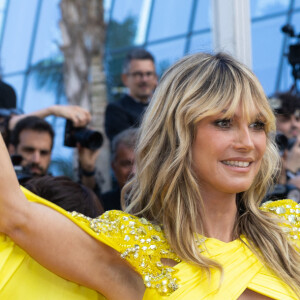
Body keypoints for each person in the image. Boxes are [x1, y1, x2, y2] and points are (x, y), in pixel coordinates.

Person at [0, 52, 300, 299]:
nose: (247, 143)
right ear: (177, 133)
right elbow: (14, 214)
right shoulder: (136, 255)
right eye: (224, 122)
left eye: (258, 125)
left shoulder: (288, 231)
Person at [105, 48, 158, 142]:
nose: (144, 79)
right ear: (125, 78)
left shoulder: (160, 105)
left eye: (149, 74)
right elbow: (129, 145)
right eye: (138, 74)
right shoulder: (115, 110)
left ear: (155, 78)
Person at [101, 128, 137, 211]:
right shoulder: (101, 206)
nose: (134, 171)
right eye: (126, 164)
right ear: (114, 167)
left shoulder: (164, 205)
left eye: (140, 164)